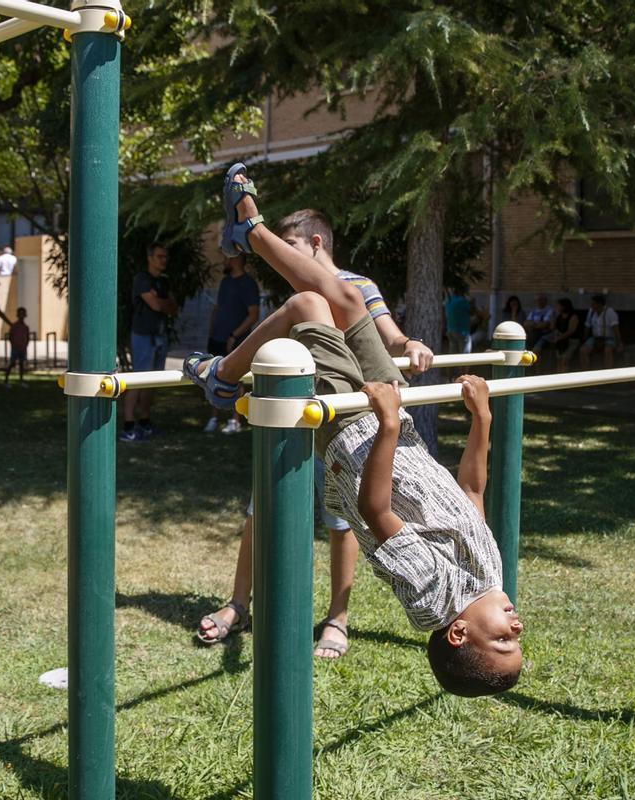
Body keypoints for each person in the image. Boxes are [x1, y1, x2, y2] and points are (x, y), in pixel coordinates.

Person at [187, 164, 522, 695]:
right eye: (517, 639)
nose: (516, 629)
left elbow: (376, 512)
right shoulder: (491, 579)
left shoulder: (433, 598)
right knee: (342, 298)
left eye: (503, 641)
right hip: (393, 427)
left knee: (306, 306)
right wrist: (481, 420)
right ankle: (249, 238)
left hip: (357, 440)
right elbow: (473, 493)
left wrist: (387, 423)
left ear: (459, 633)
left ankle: (224, 375)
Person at [196, 207, 435, 660]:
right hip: (290, 419)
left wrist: (411, 344)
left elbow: (387, 336)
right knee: (259, 510)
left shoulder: (356, 288)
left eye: (290, 248)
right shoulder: (295, 293)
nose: (283, 260)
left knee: (341, 522)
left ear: (316, 244)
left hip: (341, 423)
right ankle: (237, 605)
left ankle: (337, 618)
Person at [120, 243, 177, 442]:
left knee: (152, 382)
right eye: (160, 256)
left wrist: (161, 303)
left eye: (166, 257)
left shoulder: (163, 281)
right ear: (150, 257)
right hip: (143, 335)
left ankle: (144, 421)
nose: (164, 260)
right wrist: (162, 303)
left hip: (160, 335)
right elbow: (156, 304)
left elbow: (172, 308)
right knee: (138, 380)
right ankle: (128, 426)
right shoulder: (142, 279)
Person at [204, 253, 260, 434]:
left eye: (227, 258)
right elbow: (218, 308)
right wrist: (212, 330)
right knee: (211, 376)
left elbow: (253, 314)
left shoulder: (248, 284)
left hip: (237, 340)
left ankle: (235, 420)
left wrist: (234, 336)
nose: (224, 261)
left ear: (236, 260)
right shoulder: (225, 282)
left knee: (235, 378)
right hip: (217, 338)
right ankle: (213, 417)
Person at [579, 293, 623, 369]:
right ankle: (585, 372)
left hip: (608, 338)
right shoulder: (591, 312)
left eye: (593, 304)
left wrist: (619, 343)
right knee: (583, 350)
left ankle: (608, 373)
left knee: (608, 350)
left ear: (599, 304)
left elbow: (615, 329)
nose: (591, 306)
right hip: (595, 338)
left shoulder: (610, 312)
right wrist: (584, 340)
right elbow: (587, 326)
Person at [550, 298, 581, 373]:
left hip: (571, 341)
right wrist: (553, 318)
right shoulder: (559, 316)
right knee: (559, 361)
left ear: (564, 306)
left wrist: (560, 337)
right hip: (561, 342)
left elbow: (571, 331)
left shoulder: (573, 316)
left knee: (565, 360)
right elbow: (552, 328)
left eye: (558, 306)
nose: (556, 307)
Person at [444, 285, 475, 355]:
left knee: (453, 355)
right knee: (465, 357)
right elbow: (472, 312)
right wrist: (473, 303)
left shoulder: (449, 301)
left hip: (450, 330)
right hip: (462, 331)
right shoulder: (463, 301)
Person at [4, 307, 30, 386]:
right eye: (20, 314)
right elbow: (11, 337)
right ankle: (6, 381)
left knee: (21, 364)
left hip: (23, 348)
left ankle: (21, 381)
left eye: (23, 313)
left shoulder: (26, 327)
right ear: (18, 315)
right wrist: (14, 345)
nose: (22, 315)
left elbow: (27, 337)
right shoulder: (14, 326)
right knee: (12, 364)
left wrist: (25, 345)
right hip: (15, 348)